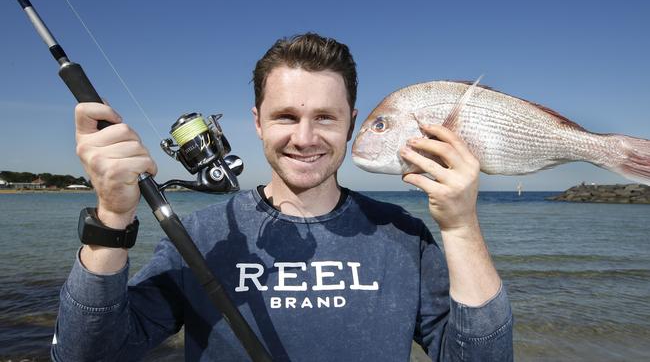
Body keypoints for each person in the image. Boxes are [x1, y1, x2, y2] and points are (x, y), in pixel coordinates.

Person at [52, 33, 513, 361]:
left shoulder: (404, 235)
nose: (305, 137)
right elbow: (88, 353)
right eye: (286, 116)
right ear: (257, 121)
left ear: (350, 122)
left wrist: (460, 225)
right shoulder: (200, 233)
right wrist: (111, 219)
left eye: (326, 118)